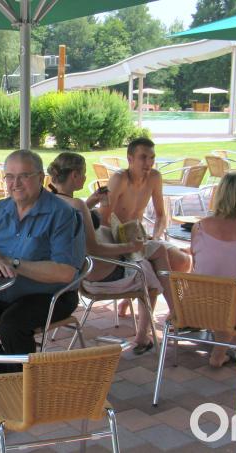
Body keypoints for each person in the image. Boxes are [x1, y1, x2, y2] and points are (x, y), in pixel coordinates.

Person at [0, 149, 86, 374]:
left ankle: (23, 387)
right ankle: (9, 377)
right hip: (3, 290)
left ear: (41, 178)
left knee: (12, 325)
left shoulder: (62, 214)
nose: (15, 183)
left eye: (24, 176)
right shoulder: (1, 209)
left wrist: (10, 261)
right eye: (9, 176)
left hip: (51, 295)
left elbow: (64, 273)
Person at [47, 152, 174, 354]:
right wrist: (130, 247)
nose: (85, 178)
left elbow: (73, 217)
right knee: (152, 267)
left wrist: (91, 202)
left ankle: (169, 316)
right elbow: (94, 249)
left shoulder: (51, 200)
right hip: (100, 274)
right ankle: (151, 331)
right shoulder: (77, 205)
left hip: (82, 275)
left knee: (153, 255)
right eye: (83, 174)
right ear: (74, 176)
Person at [99, 138, 192, 353]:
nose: (148, 163)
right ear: (130, 159)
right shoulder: (120, 179)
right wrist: (126, 241)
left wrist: (156, 235)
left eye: (151, 158)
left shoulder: (155, 178)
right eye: (143, 157)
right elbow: (104, 218)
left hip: (143, 239)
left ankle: (137, 301)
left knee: (183, 260)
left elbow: (161, 215)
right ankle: (156, 326)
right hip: (117, 240)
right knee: (151, 268)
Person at [190, 173, 236, 367]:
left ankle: (223, 346)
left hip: (200, 309)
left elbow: (196, 263)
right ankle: (225, 349)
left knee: (217, 281)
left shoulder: (200, 227)